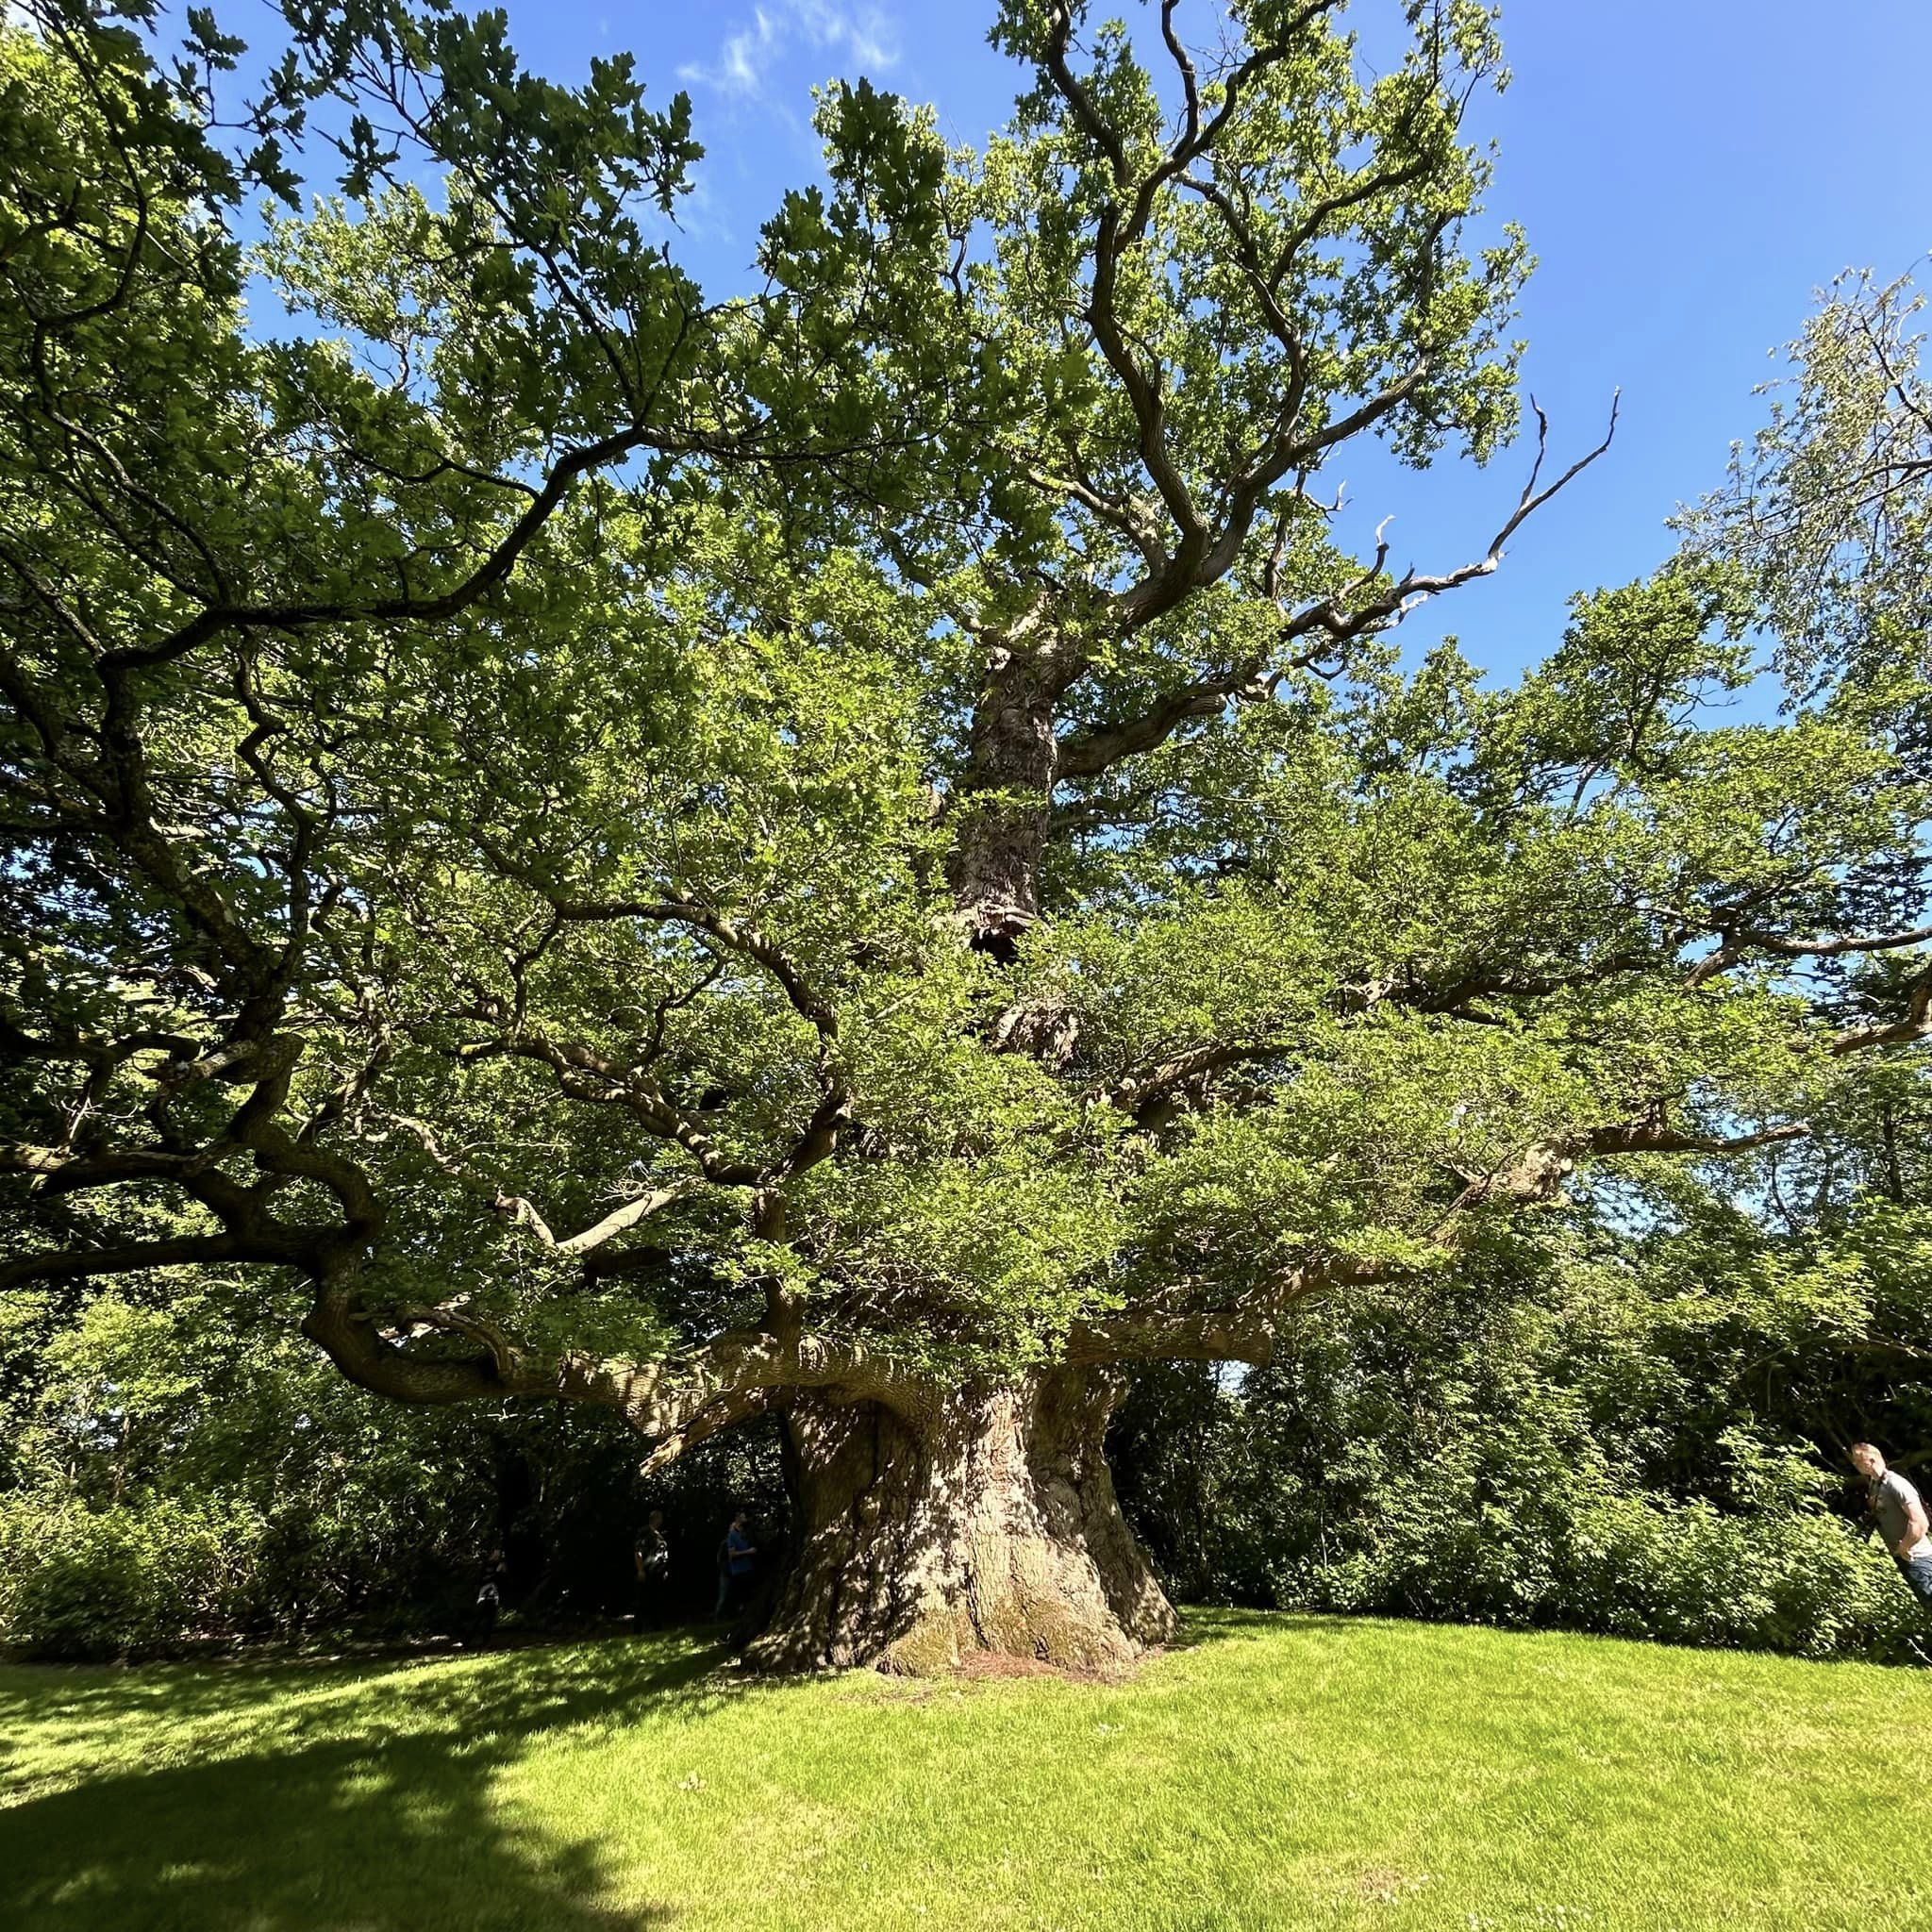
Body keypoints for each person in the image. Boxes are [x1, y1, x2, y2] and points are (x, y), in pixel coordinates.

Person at [1850, 1441, 1932, 1610]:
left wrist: (1904, 1548)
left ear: (1871, 1460)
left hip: (1917, 1557)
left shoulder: (1896, 1484)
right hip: (1904, 1558)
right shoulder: (1874, 1484)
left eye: (1858, 1459)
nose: (1854, 1463)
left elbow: (1920, 1522)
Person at [715, 1509, 756, 1620]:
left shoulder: (744, 1536)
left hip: (738, 1570)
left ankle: (732, 1615)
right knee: (725, 1595)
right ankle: (718, 1617)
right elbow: (726, 1557)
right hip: (729, 1571)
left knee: (737, 1595)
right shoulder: (727, 1541)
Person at [634, 1509, 671, 1629]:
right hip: (648, 1571)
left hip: (657, 1573)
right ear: (656, 1519)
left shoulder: (658, 1535)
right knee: (643, 1601)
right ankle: (638, 1628)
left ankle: (656, 1627)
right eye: (660, 1518)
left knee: (656, 1600)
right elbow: (638, 1552)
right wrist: (640, 1570)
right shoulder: (645, 1533)